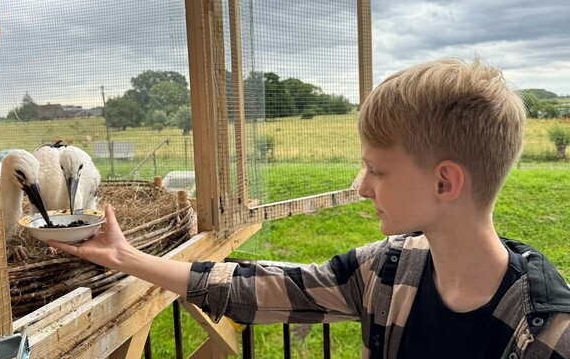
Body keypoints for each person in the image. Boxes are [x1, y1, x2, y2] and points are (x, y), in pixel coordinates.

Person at [48, 58, 570, 358]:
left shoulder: (547, 332)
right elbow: (270, 289)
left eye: (379, 171)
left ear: (445, 181)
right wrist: (126, 257)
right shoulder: (389, 270)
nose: (361, 186)